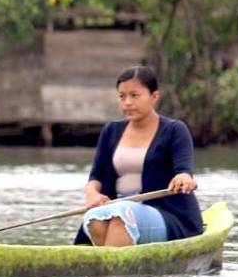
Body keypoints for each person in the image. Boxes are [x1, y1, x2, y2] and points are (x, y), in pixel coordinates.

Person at [76, 65, 203, 247]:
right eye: (122, 96)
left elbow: (184, 170)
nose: (127, 102)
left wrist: (183, 178)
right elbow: (96, 176)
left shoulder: (175, 130)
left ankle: (112, 273)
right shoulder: (111, 131)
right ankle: (112, 271)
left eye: (134, 95)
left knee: (122, 214)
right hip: (116, 208)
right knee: (93, 218)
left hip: (165, 214)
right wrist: (92, 194)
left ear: (154, 97)